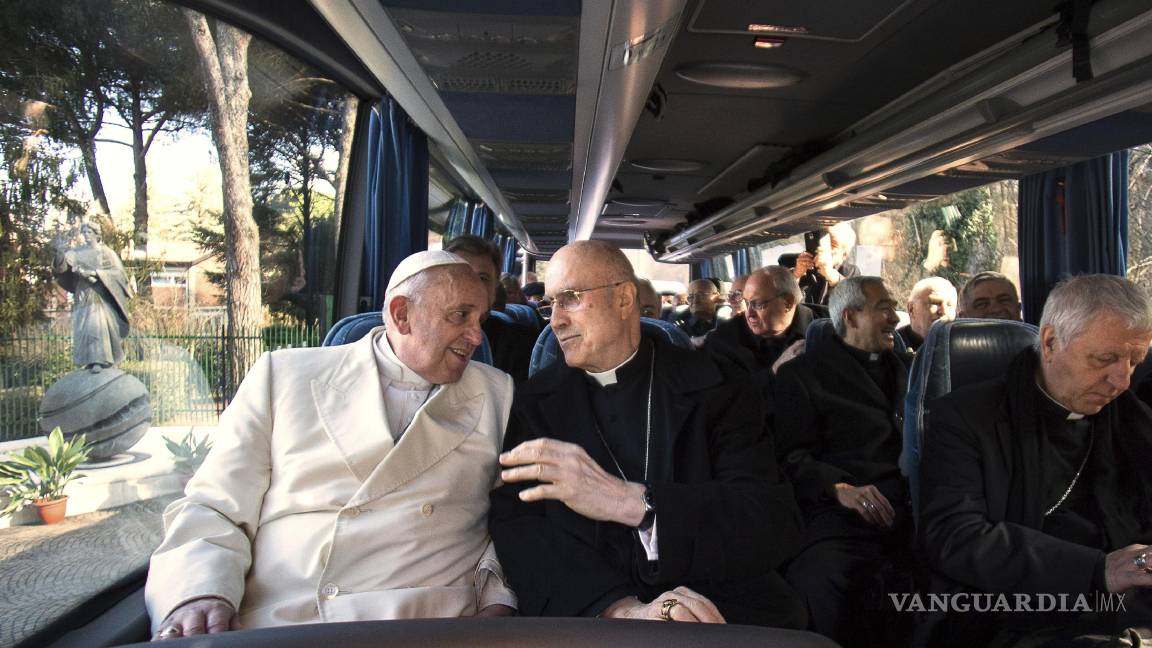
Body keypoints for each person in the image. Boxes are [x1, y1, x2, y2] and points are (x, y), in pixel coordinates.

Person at [145, 251, 517, 640]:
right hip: (282, 619)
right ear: (402, 314)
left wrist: (498, 597)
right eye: (460, 316)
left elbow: (510, 519)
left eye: (480, 321)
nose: (476, 336)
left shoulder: (496, 393)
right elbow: (215, 506)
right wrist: (199, 593)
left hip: (427, 620)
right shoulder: (284, 377)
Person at [489, 241, 806, 628]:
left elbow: (769, 519)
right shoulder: (534, 404)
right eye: (549, 304)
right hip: (593, 615)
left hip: (718, 607)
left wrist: (638, 504)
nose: (555, 320)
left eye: (569, 299)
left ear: (624, 300)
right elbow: (521, 527)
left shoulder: (719, 386)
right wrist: (618, 607)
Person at [919, 274, 1152, 646]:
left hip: (1130, 604)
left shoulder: (1134, 418)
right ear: (1050, 342)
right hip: (1018, 606)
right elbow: (955, 536)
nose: (1121, 381)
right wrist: (1098, 569)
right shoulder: (966, 418)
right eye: (1105, 359)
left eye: (1134, 361)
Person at [774, 276, 912, 647]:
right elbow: (789, 457)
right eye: (884, 307)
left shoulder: (913, 370)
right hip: (840, 518)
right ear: (850, 317)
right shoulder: (802, 376)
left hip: (914, 513)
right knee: (822, 578)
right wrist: (839, 488)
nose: (895, 318)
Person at [445, 236, 537, 383]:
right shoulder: (419, 335)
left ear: (494, 290)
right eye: (460, 275)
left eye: (482, 278)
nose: (471, 286)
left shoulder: (523, 344)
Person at [52, 222, 134, 371]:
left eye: (89, 232)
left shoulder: (106, 252)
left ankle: (99, 360)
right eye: (83, 232)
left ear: (97, 234)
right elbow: (62, 269)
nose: (86, 235)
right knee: (83, 326)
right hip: (82, 294)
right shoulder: (75, 252)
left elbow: (119, 274)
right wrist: (59, 256)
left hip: (100, 296)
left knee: (96, 325)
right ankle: (87, 360)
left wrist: (95, 273)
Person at [704, 267, 814, 373]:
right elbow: (733, 391)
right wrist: (774, 371)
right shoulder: (724, 341)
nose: (749, 314)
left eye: (757, 304)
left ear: (787, 303)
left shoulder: (826, 326)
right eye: (746, 303)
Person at [792, 223, 860, 305]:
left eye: (832, 244)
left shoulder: (851, 272)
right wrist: (795, 275)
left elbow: (855, 300)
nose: (824, 248)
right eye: (823, 241)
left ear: (844, 255)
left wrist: (832, 276)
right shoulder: (805, 268)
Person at [896, 276, 957, 351]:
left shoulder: (960, 347)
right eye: (934, 303)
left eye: (950, 305)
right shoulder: (893, 347)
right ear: (911, 309)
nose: (943, 311)